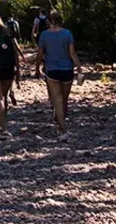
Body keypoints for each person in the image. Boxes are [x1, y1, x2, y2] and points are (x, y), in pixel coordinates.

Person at [34, 11, 81, 141]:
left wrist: (37, 68)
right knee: (64, 99)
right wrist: (79, 67)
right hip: (67, 70)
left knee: (58, 100)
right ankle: (61, 122)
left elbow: (39, 54)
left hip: (52, 70)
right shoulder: (67, 34)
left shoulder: (44, 35)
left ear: (49, 21)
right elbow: (72, 52)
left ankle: (63, 129)